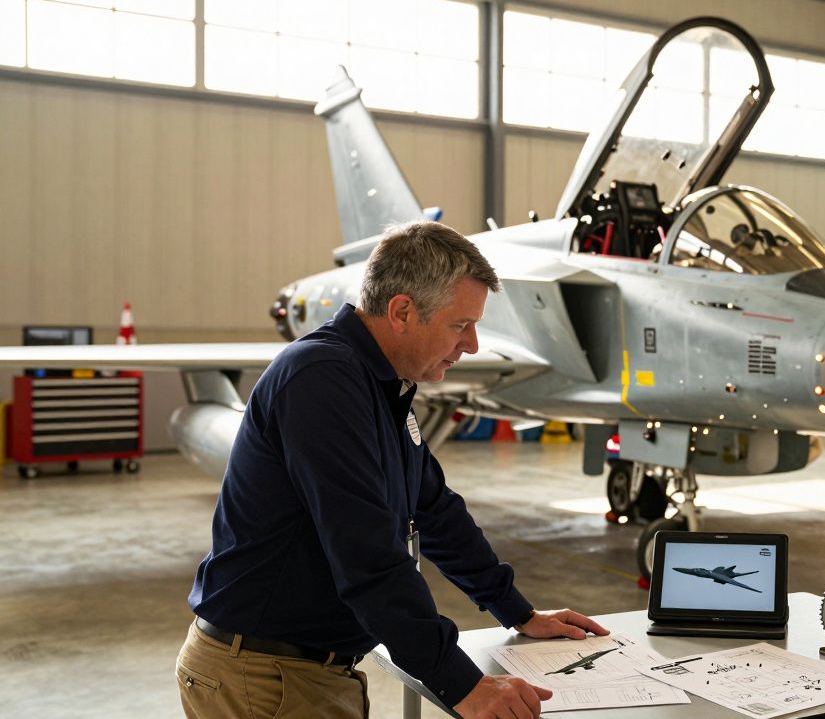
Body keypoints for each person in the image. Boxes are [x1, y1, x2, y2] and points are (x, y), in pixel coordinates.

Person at [176, 221, 608, 719]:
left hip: (304, 671)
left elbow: (435, 510)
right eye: (459, 325)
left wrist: (518, 611)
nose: (471, 344)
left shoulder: (381, 385)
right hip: (264, 678)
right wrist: (462, 684)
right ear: (402, 311)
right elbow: (368, 555)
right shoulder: (320, 380)